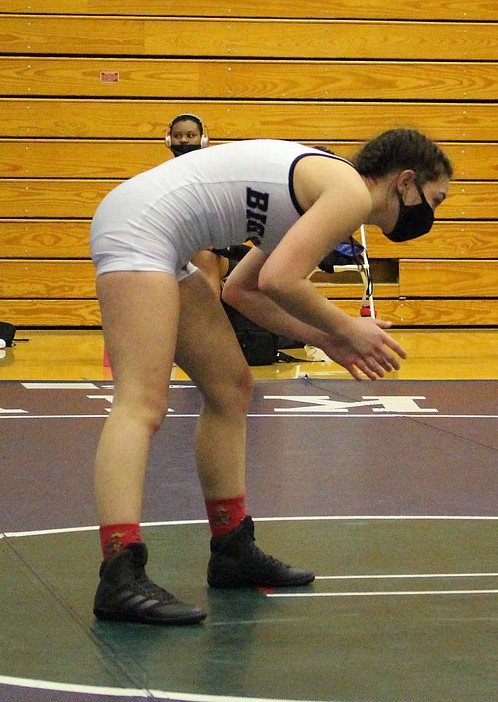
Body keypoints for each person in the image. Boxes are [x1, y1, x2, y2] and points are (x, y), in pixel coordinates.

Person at [89, 130, 453, 625]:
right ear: (406, 181)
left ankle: (232, 545)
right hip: (140, 228)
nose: (430, 215)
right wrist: (347, 327)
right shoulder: (345, 191)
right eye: (434, 200)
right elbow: (280, 279)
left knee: (230, 389)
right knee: (140, 403)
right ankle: (120, 569)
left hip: (155, 230)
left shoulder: (325, 193)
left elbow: (243, 290)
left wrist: (326, 339)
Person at [163, 113, 230, 296]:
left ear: (202, 139)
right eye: (178, 136)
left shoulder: (215, 175)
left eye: (190, 135)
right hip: (178, 251)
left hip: (214, 251)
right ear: (169, 140)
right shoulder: (162, 178)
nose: (183, 140)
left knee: (205, 258)